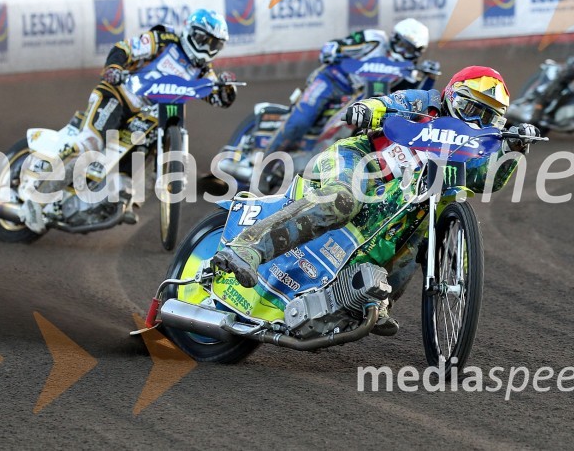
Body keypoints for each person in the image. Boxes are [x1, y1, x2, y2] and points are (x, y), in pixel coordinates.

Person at [211, 66, 540, 334]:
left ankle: (370, 300)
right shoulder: (425, 102)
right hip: (359, 161)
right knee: (341, 201)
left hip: (393, 205)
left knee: (420, 236)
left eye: (488, 118)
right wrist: (366, 109)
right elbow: (387, 103)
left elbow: (486, 180)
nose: (476, 123)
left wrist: (512, 151)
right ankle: (248, 249)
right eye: (472, 109)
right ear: (452, 97)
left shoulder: (476, 147)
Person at [23, 9, 237, 233]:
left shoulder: (204, 71)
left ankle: (117, 197)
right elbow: (125, 48)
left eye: (214, 44)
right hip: (118, 95)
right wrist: (114, 68)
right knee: (91, 144)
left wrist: (226, 87)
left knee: (143, 150)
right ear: (191, 32)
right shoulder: (165, 39)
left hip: (148, 117)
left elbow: (220, 98)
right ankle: (37, 200)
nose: (207, 48)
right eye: (204, 39)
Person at [261, 18, 439, 157]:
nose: (403, 52)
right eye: (401, 45)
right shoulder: (374, 39)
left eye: (410, 50)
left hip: (355, 97)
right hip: (332, 80)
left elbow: (411, 99)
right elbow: (339, 45)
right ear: (393, 38)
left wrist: (428, 77)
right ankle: (264, 160)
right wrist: (334, 50)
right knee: (300, 121)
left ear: (418, 54)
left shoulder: (409, 72)